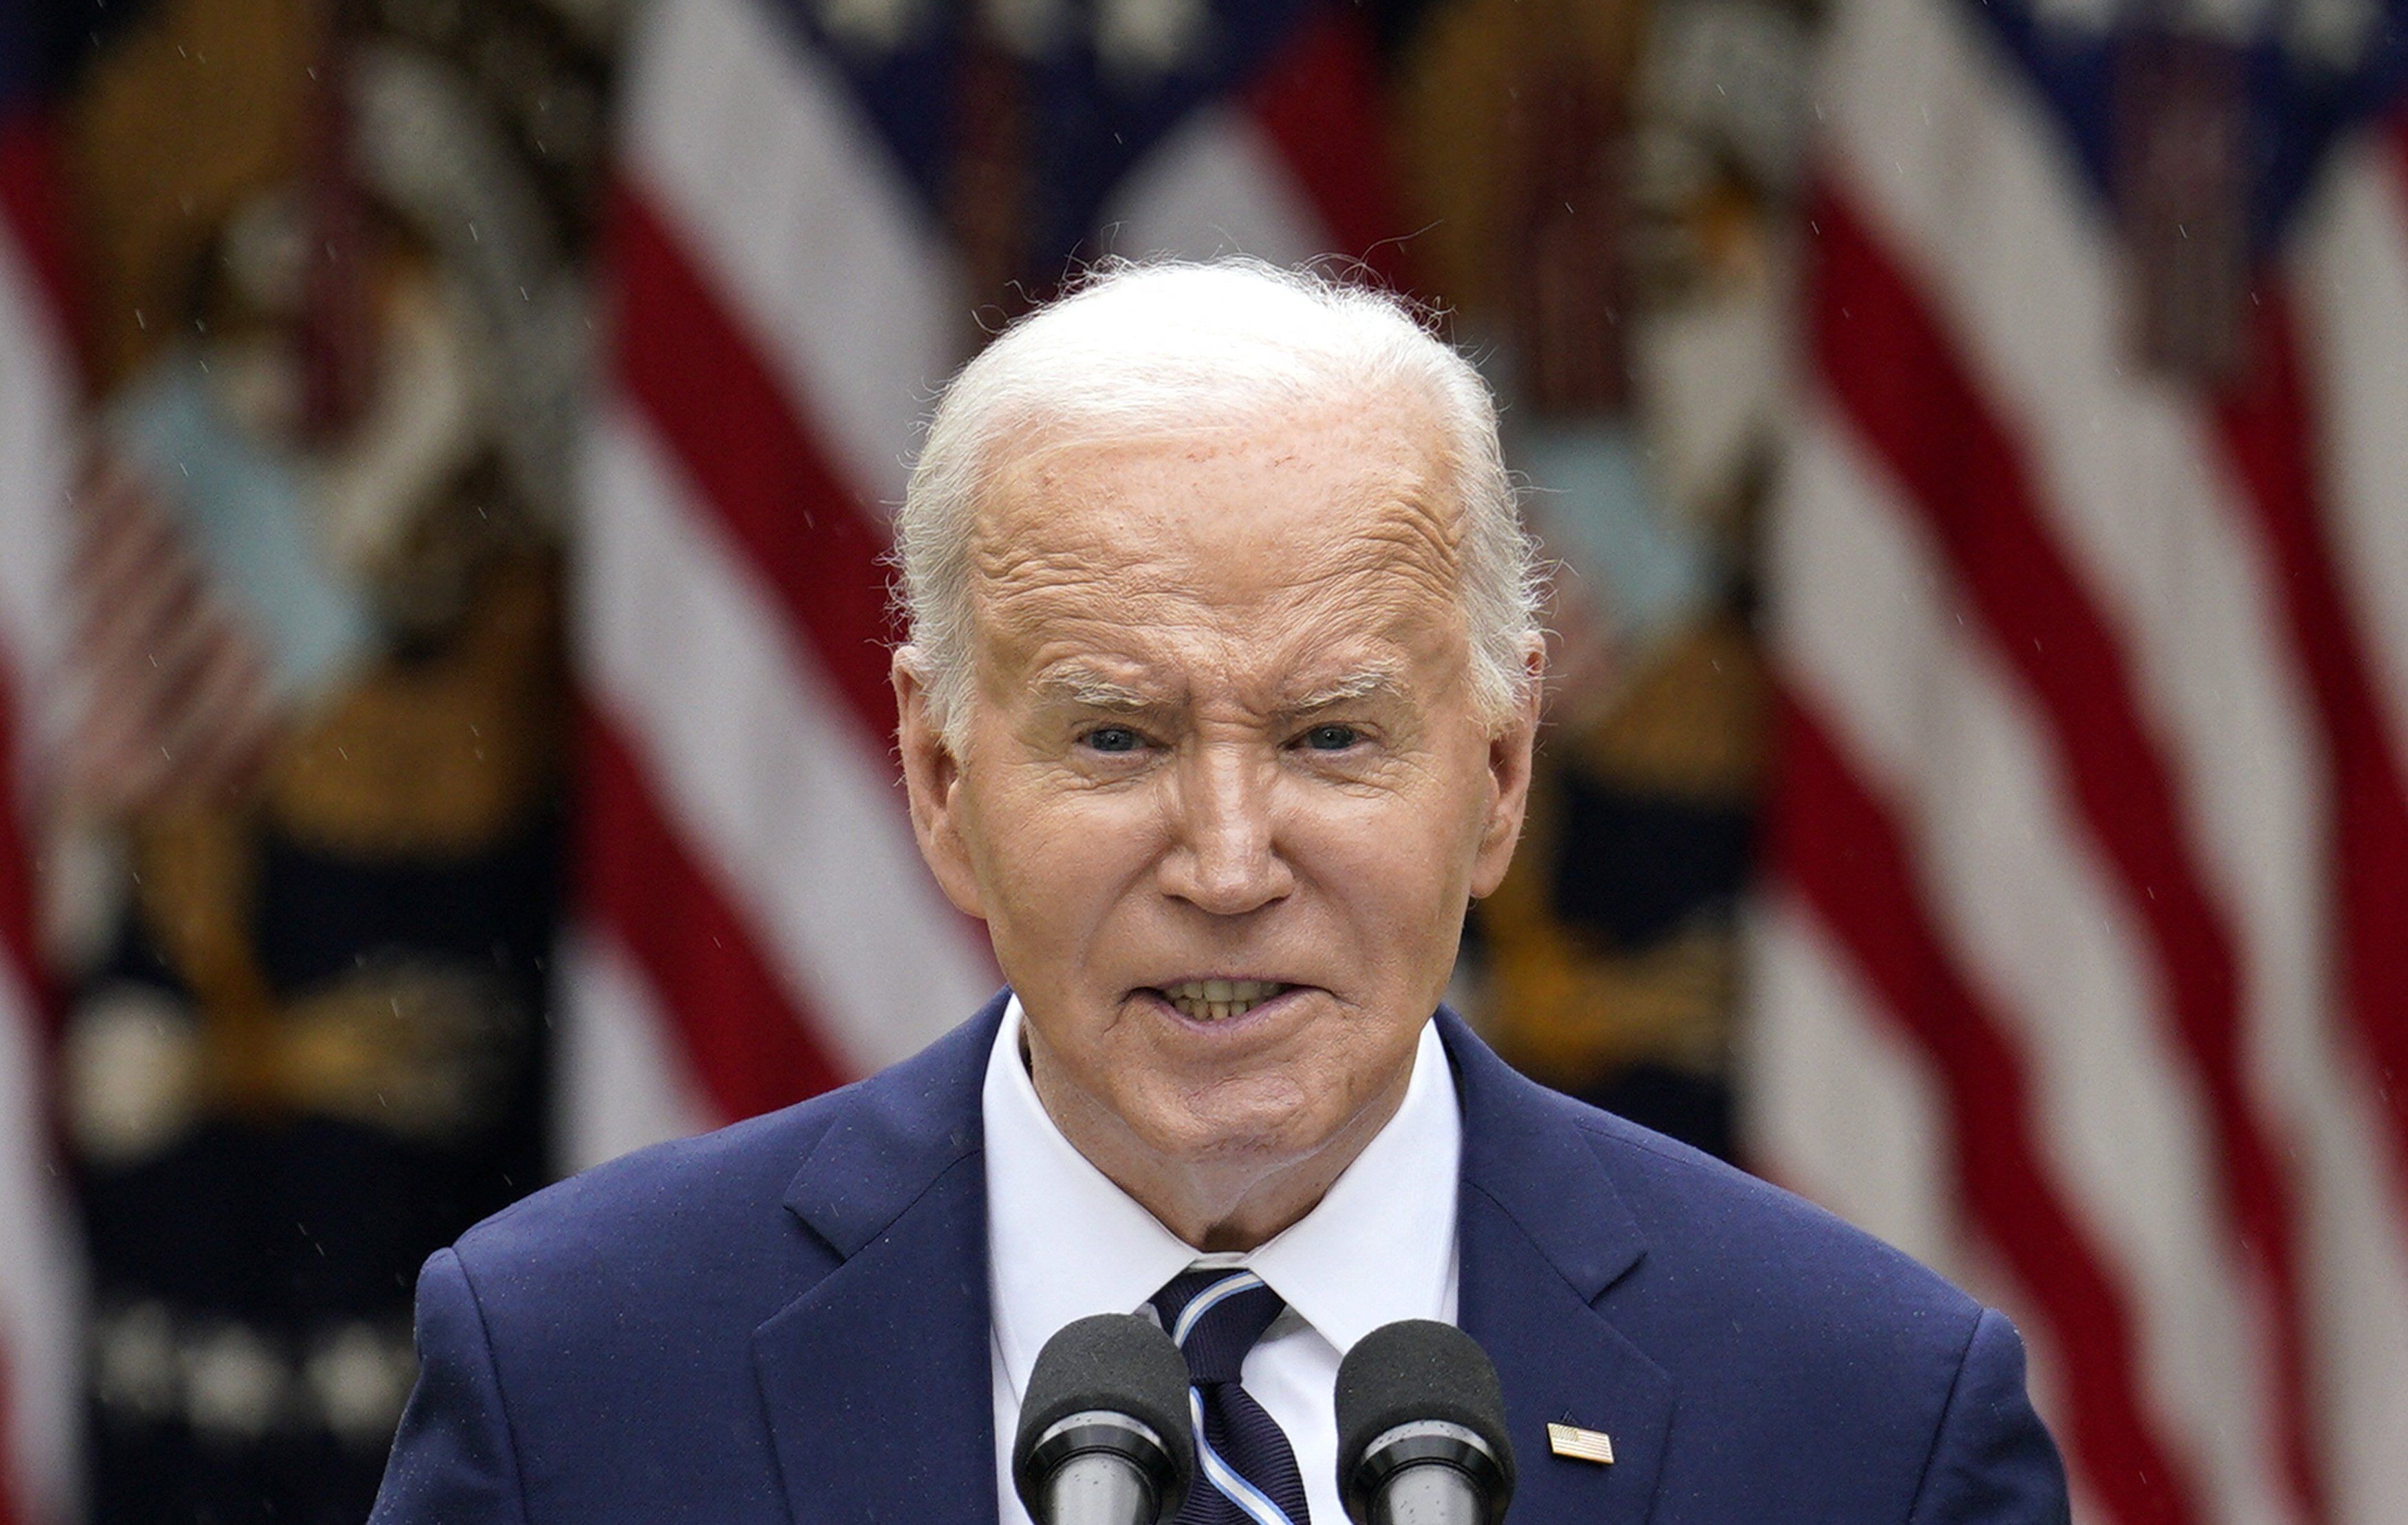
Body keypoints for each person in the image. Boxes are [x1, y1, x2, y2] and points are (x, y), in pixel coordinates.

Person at [371, 262, 2070, 1524]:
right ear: (942, 777)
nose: (1232, 861)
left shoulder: (1860, 1425)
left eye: (1332, 737)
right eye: (1116, 737)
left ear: (1496, 774)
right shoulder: (579, 1379)